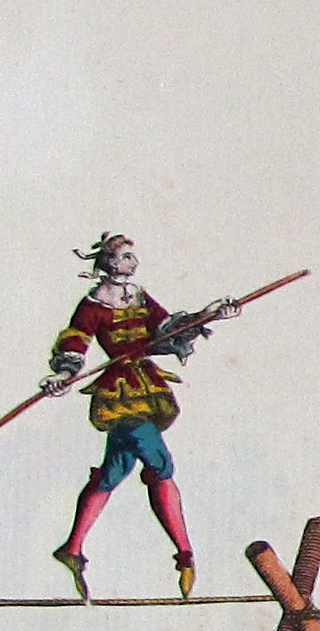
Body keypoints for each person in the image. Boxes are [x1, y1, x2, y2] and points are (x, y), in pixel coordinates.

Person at [41, 234, 243, 598]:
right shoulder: (93, 303)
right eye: (126, 256)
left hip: (146, 387)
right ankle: (185, 555)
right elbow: (75, 342)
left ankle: (72, 548)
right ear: (109, 262)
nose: (134, 262)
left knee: (115, 470)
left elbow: (167, 331)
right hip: (121, 394)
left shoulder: (138, 295)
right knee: (160, 465)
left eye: (133, 256)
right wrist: (64, 374)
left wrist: (211, 313)